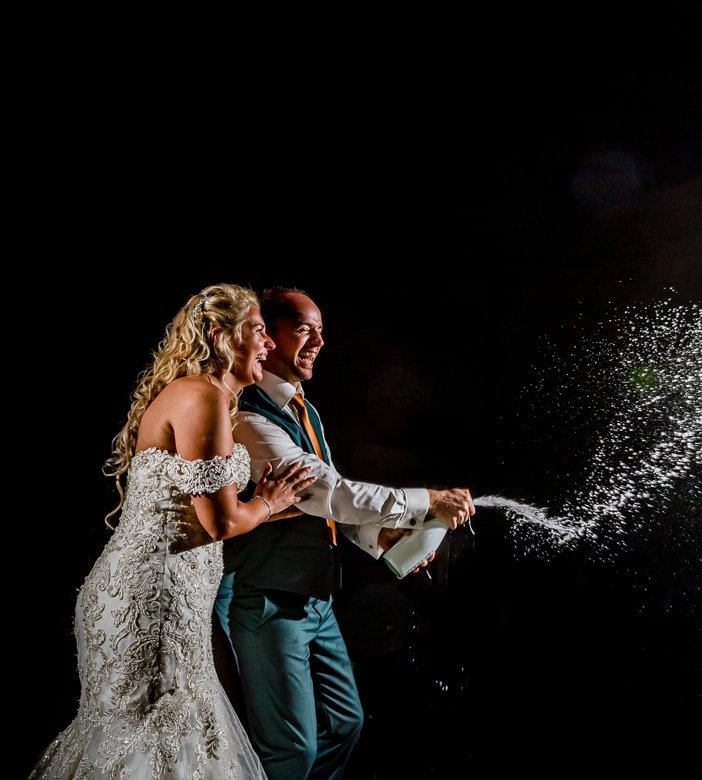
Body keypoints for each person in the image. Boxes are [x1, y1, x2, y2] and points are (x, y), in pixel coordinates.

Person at [30, 283, 318, 779]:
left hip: (164, 597)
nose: (269, 344)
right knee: (157, 739)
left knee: (166, 741)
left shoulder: (211, 399)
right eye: (257, 332)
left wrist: (271, 506)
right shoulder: (203, 396)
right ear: (218, 334)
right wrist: (269, 502)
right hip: (151, 602)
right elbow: (221, 522)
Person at [215, 286, 475, 780]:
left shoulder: (305, 411)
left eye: (321, 332)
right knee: (292, 752)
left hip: (318, 600)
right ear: (266, 336)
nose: (317, 342)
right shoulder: (248, 415)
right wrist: (427, 500)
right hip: (271, 601)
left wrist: (386, 543)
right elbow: (331, 494)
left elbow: (330, 513)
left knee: (346, 724)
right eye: (304, 329)